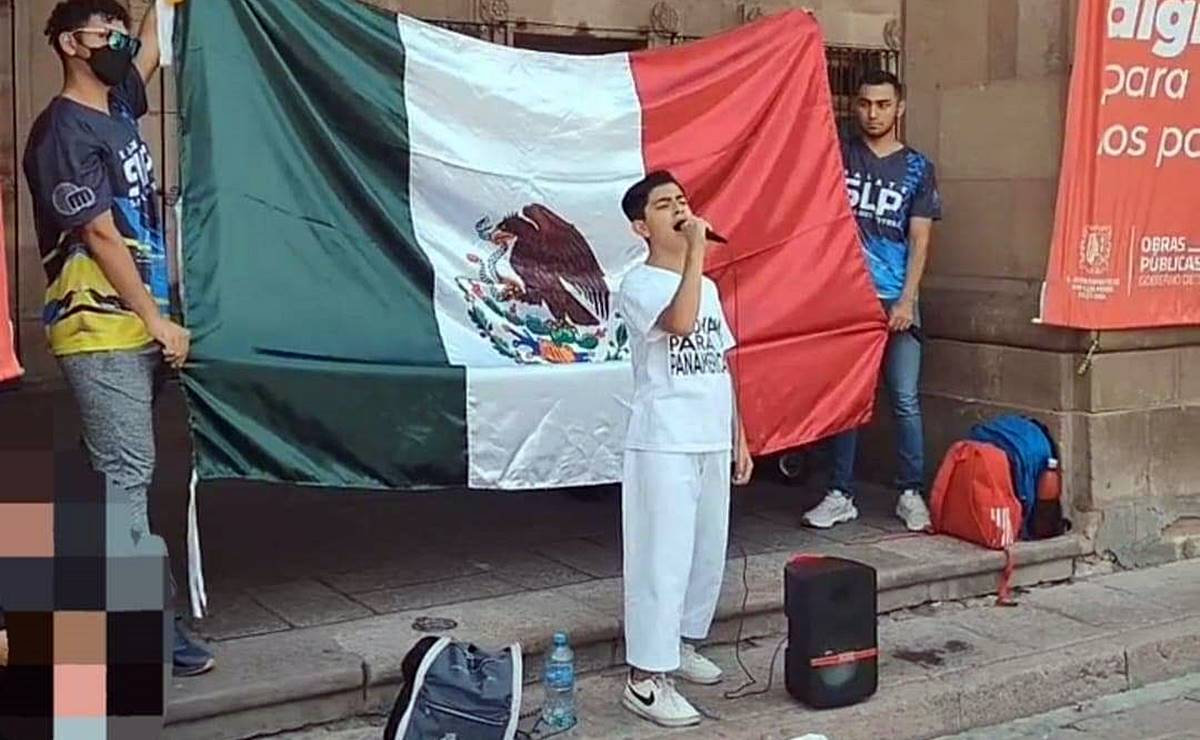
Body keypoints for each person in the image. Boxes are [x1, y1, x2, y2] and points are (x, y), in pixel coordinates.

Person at [23, 0, 214, 677]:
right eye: (106, 34)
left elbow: (156, 37)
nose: (120, 42)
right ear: (71, 44)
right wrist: (157, 321)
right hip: (100, 328)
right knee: (127, 476)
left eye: (119, 31)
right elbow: (100, 234)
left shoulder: (121, 104)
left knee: (106, 475)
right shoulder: (62, 132)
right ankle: (143, 635)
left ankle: (72, 612)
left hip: (135, 324)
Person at [615, 171, 753, 728]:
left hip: (710, 435)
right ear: (640, 226)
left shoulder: (711, 287)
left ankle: (682, 642)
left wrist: (740, 435)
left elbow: (720, 361)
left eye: (682, 201)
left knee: (704, 552)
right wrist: (695, 249)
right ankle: (646, 678)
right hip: (664, 439)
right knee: (662, 557)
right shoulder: (638, 283)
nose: (678, 209)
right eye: (664, 204)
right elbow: (680, 321)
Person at [802, 69, 942, 532]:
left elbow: (920, 240)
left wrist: (907, 300)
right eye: (865, 103)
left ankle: (909, 491)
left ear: (899, 107)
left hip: (896, 299)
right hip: (846, 298)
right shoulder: (838, 155)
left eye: (883, 104)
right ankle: (840, 492)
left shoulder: (918, 167)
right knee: (847, 400)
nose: (873, 112)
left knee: (903, 398)